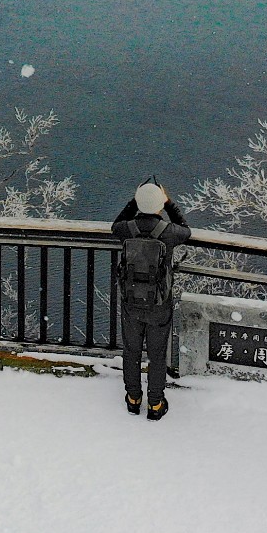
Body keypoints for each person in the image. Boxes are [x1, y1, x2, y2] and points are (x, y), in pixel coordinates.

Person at [112, 178, 190, 420]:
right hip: (159, 303)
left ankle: (133, 398)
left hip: (131, 301)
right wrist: (168, 203)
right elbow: (186, 229)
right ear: (159, 204)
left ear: (138, 202)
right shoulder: (168, 232)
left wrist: (134, 201)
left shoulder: (127, 230)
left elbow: (116, 225)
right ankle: (155, 404)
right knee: (157, 354)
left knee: (132, 351)